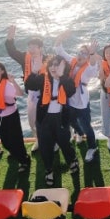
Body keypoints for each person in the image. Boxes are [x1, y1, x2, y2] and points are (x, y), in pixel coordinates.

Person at [24, 55, 79, 186]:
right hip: (44, 118)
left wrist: (61, 76)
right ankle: (49, 169)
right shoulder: (43, 78)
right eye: (51, 65)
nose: (54, 67)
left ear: (64, 67)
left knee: (65, 143)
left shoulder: (66, 80)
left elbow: (71, 91)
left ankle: (72, 160)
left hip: (61, 118)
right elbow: (29, 85)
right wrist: (34, 71)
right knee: (45, 145)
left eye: (57, 65)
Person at [54, 31, 101, 162]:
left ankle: (92, 147)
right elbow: (59, 49)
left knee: (86, 126)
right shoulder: (72, 61)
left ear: (88, 57)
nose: (81, 55)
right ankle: (79, 134)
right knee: (71, 121)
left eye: (85, 54)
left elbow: (94, 66)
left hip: (81, 103)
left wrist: (92, 53)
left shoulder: (88, 68)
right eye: (80, 52)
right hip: (69, 101)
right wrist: (60, 37)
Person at [5, 25, 45, 152]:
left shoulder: (48, 59)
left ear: (40, 48)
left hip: (46, 96)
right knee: (32, 122)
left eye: (34, 47)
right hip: (32, 95)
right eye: (29, 47)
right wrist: (10, 38)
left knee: (47, 121)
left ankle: (53, 141)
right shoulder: (24, 57)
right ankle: (38, 140)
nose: (31, 49)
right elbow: (12, 51)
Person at [0, 61, 31, 173]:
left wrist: (13, 81)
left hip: (11, 116)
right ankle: (13, 151)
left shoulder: (7, 85)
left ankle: (24, 160)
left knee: (16, 139)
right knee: (4, 140)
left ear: (2, 72)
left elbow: (20, 93)